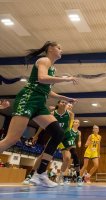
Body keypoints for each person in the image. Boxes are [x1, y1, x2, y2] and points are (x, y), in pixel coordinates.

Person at [0, 41, 78, 187]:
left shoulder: (52, 68)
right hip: (28, 98)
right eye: (59, 47)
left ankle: (39, 174)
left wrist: (65, 98)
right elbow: (42, 78)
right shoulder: (44, 60)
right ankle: (39, 174)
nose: (62, 50)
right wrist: (65, 79)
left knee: (58, 133)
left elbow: (47, 90)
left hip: (39, 103)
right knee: (11, 139)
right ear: (50, 49)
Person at [23, 100, 73, 185]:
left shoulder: (70, 114)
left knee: (68, 158)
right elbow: (43, 125)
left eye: (65, 102)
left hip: (64, 137)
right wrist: (36, 135)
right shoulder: (52, 114)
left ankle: (60, 176)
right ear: (58, 104)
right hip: (54, 136)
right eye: (62, 102)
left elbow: (69, 127)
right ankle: (31, 175)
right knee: (44, 155)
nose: (64, 103)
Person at [58, 119, 83, 186]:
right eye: (75, 122)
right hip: (64, 143)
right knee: (66, 159)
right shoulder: (69, 129)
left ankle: (78, 177)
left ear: (79, 124)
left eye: (78, 122)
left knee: (75, 156)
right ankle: (61, 176)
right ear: (73, 123)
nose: (77, 123)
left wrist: (79, 143)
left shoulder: (79, 132)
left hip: (72, 144)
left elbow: (79, 140)